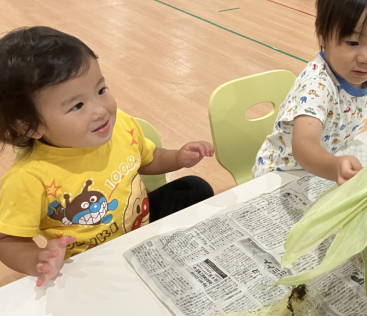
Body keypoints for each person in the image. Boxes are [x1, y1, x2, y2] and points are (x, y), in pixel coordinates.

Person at [0, 27, 215, 287]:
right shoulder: (30, 177)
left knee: (195, 188)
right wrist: (38, 260)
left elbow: (147, 160)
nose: (101, 111)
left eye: (101, 90)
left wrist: (178, 158)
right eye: (77, 106)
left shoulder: (121, 126)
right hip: (92, 262)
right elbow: (8, 240)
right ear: (30, 127)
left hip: (141, 227)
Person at [252, 0, 367, 184]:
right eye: (352, 42)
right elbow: (304, 145)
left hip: (321, 170)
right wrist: (334, 166)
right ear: (323, 36)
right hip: (280, 176)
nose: (366, 59)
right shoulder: (317, 86)